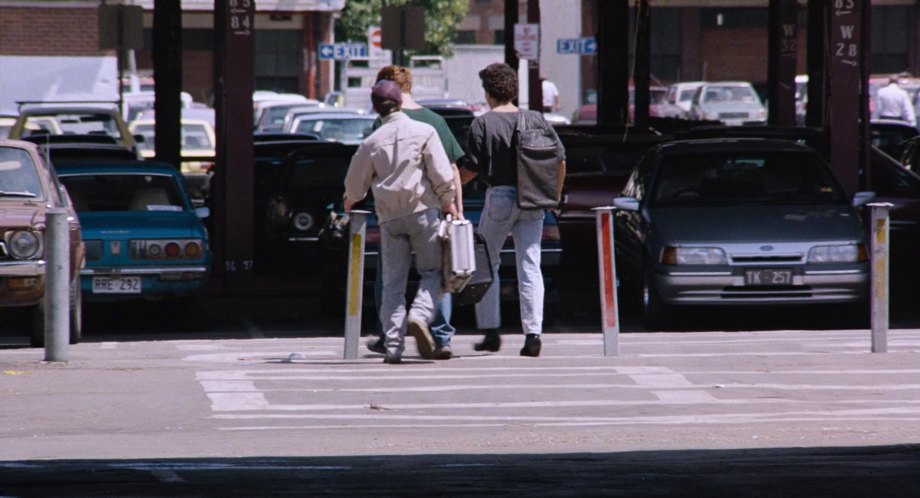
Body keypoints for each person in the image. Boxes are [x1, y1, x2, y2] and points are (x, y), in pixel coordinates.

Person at [344, 80, 458, 364]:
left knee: (392, 285)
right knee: (433, 273)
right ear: (401, 102)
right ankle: (419, 315)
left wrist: (350, 201)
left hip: (390, 219)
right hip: (423, 212)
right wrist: (449, 202)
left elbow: (354, 186)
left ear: (375, 107)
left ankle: (393, 346)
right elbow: (442, 174)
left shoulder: (371, 142)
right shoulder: (424, 131)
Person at [459, 63, 566, 357]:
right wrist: (553, 197)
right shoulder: (536, 120)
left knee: (487, 262)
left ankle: (492, 332)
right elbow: (560, 161)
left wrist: (450, 185)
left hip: (500, 197)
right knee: (530, 265)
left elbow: (472, 168)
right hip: (534, 198)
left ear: (489, 92)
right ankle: (533, 335)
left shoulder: (482, 124)